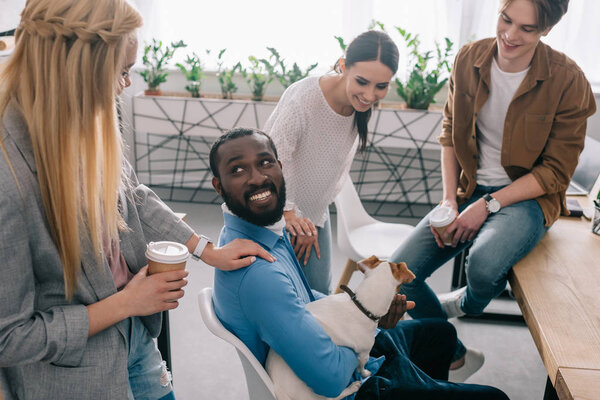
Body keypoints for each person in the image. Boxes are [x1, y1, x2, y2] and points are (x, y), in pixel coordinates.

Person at [0, 1, 273, 399]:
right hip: (75, 374)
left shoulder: (87, 123)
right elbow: (10, 338)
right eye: (122, 72)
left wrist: (207, 250)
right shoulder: (9, 175)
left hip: (135, 341)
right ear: (79, 71)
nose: (127, 85)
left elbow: (133, 195)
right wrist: (124, 304)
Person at [209, 127, 509, 400]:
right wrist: (363, 334)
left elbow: (309, 303)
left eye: (265, 162)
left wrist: (368, 316)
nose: (257, 177)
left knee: (440, 335)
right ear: (219, 186)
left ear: (280, 167)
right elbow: (330, 379)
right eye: (237, 169)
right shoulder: (258, 273)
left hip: (333, 353)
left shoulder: (262, 234)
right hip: (347, 389)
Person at [389, 0, 596, 382]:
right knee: (397, 275)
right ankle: (453, 354)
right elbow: (450, 132)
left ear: (547, 30)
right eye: (506, 20)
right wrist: (450, 201)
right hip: (468, 187)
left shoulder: (569, 81)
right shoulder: (469, 59)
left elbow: (554, 172)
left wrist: (488, 204)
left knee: (483, 266)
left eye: (527, 29)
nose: (510, 36)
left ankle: (466, 303)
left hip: (526, 198)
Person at [263, 30, 399, 294]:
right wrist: (289, 213)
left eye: (381, 86)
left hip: (312, 216)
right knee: (288, 298)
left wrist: (307, 220)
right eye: (363, 81)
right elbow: (272, 159)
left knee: (318, 297)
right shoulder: (304, 98)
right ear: (343, 66)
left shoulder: (358, 103)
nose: (370, 95)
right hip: (275, 210)